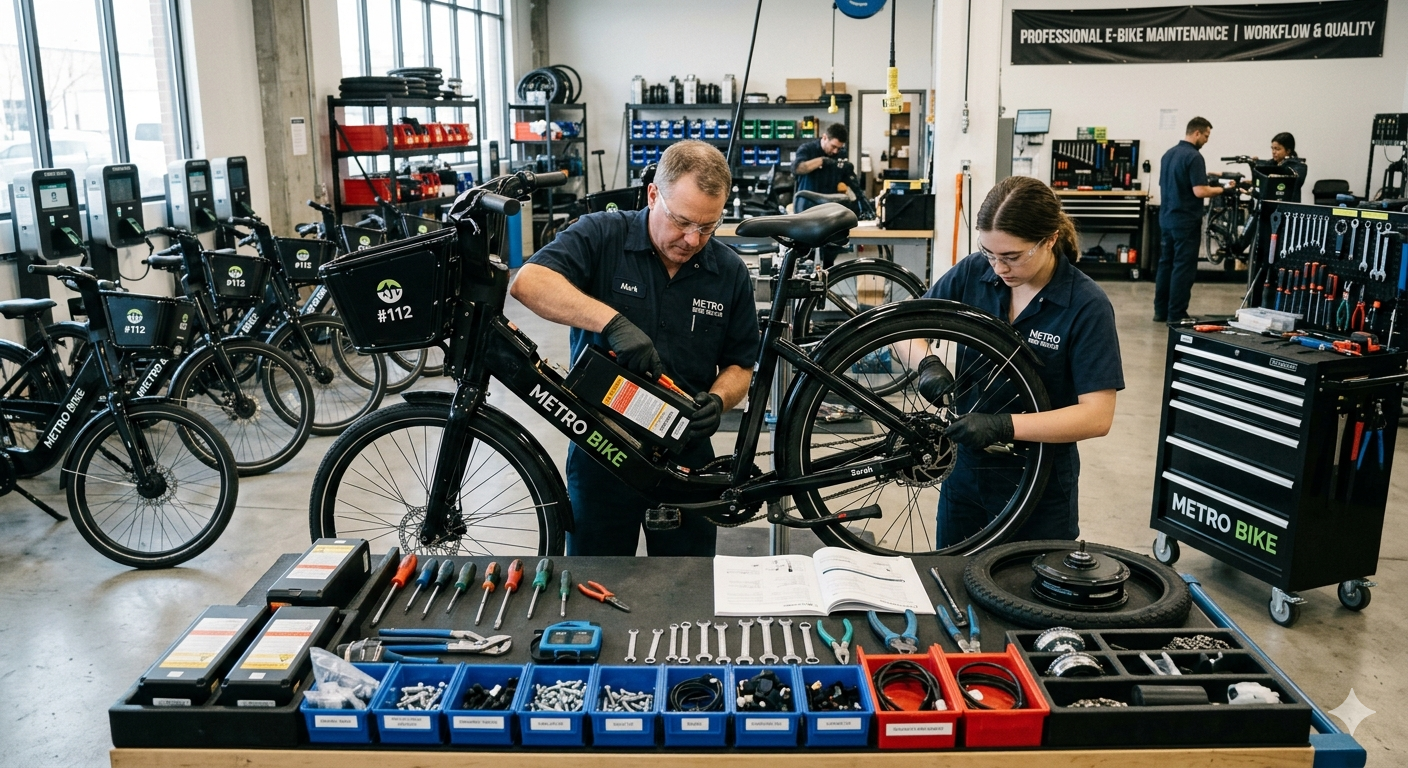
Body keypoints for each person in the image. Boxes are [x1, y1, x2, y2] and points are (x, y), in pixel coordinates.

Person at [509, 140, 759, 557]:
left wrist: (718, 400)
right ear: (653, 194)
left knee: (689, 582)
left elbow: (740, 365)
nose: (692, 239)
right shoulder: (601, 235)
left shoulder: (728, 271)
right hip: (601, 447)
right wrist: (611, 322)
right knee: (597, 574)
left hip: (685, 450)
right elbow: (528, 282)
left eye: (708, 226)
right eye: (682, 221)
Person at [916, 176, 1124, 545]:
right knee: (949, 573)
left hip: (1038, 482)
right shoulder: (973, 272)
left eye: (1012, 257)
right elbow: (906, 329)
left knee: (1023, 580)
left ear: (1050, 240)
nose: (999, 268)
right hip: (965, 472)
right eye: (989, 253)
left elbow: (1097, 416)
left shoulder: (1087, 305)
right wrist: (926, 363)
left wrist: (1004, 426)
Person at [1154, 116, 1224, 324]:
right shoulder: (1194, 157)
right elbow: (1200, 191)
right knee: (1183, 267)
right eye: (1206, 136)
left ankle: (1160, 311)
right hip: (1185, 222)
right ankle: (1176, 314)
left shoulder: (1168, 154)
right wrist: (1222, 189)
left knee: (1165, 264)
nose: (1207, 140)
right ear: (1197, 133)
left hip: (1166, 218)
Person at [792, 122, 849, 212]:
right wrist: (821, 161)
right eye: (833, 146)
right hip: (806, 207)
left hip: (829, 206)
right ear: (824, 137)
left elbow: (847, 177)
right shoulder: (807, 149)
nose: (835, 151)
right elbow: (797, 168)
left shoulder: (841, 154)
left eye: (839, 148)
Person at [1267, 132, 1307, 202]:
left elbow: (1296, 179)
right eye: (1272, 149)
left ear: (1288, 151)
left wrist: (1275, 177)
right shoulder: (1271, 163)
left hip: (1287, 205)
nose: (1273, 152)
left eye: (1277, 149)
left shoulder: (1299, 166)